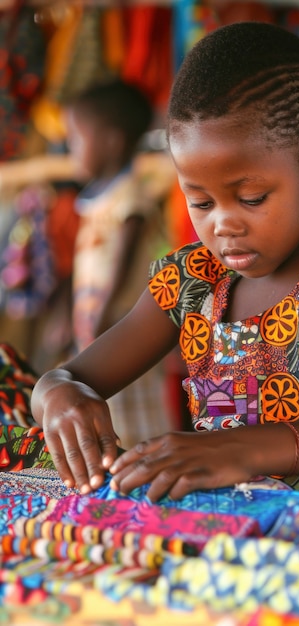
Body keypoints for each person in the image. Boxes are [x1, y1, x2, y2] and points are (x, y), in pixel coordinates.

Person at [31, 22, 299, 505]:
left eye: (251, 197)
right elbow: (66, 378)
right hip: (228, 544)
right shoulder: (192, 284)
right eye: (200, 203)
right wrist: (58, 399)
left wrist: (239, 449)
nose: (224, 225)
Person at [59, 78, 172, 448]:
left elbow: (123, 260)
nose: (70, 149)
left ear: (111, 141)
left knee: (130, 397)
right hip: (97, 318)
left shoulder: (129, 195)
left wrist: (106, 313)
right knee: (103, 398)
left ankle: (141, 458)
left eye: (76, 139)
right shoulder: (95, 199)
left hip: (122, 322)